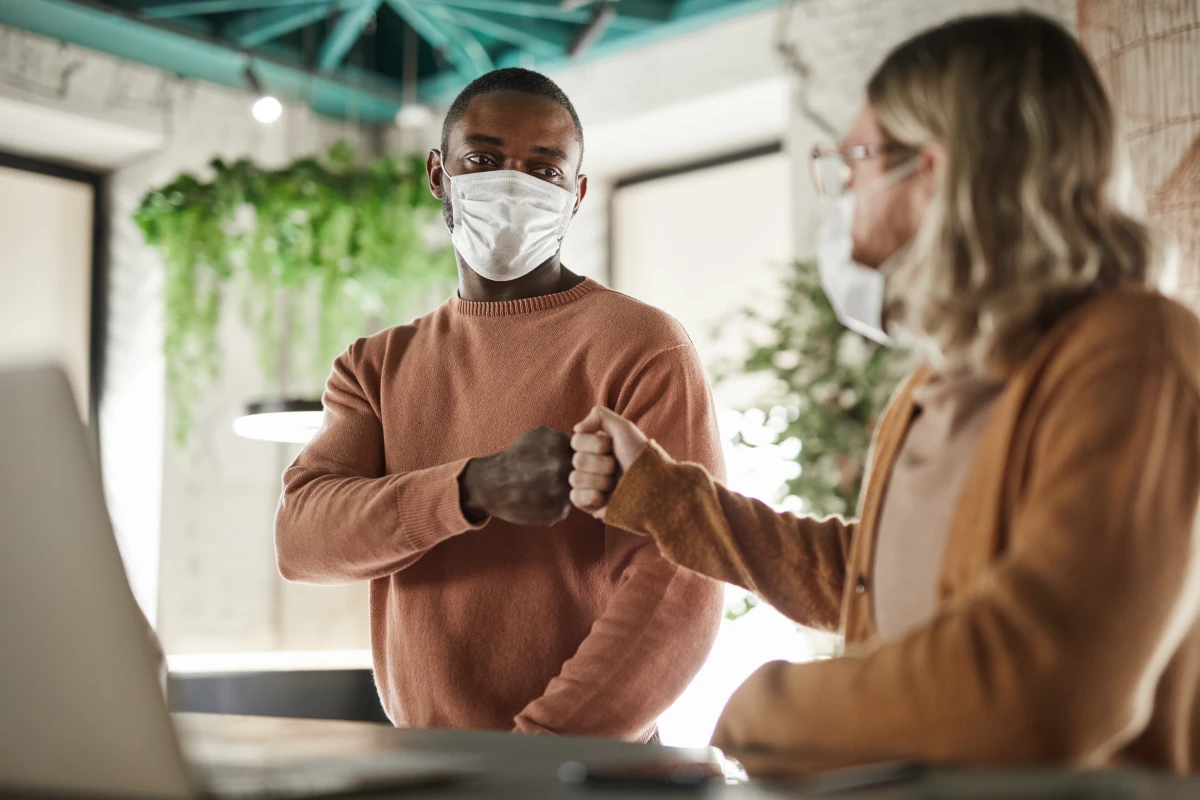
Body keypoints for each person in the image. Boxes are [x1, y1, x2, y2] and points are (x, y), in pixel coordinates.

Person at [568, 11, 1200, 776]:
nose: (846, 199)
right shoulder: (939, 385)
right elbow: (868, 579)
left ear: (935, 171)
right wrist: (659, 495)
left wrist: (765, 710)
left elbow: (1042, 684)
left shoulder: (1135, 355)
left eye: (856, 162)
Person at [273, 68, 724, 741]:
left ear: (576, 194)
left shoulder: (643, 347)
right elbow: (303, 539)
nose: (513, 186)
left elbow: (679, 583)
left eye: (543, 170)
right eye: (482, 161)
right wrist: (471, 487)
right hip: (425, 762)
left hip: (582, 770)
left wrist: (539, 753)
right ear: (438, 175)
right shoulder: (376, 366)